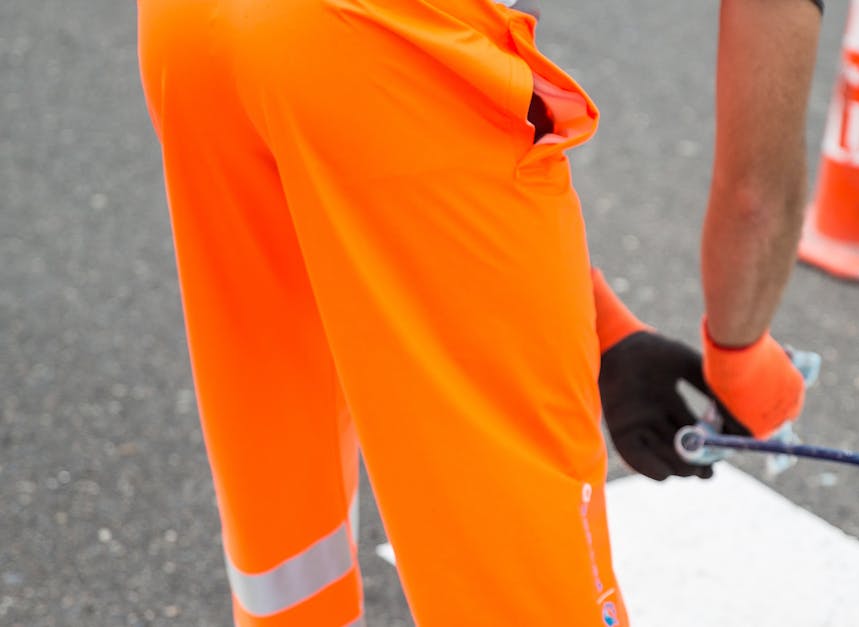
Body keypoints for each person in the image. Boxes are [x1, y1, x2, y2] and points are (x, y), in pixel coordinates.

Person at [136, 0, 822, 624]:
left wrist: (606, 332)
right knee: (526, 586)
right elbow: (754, 199)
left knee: (288, 531)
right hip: (373, 48)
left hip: (193, 34)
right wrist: (740, 359)